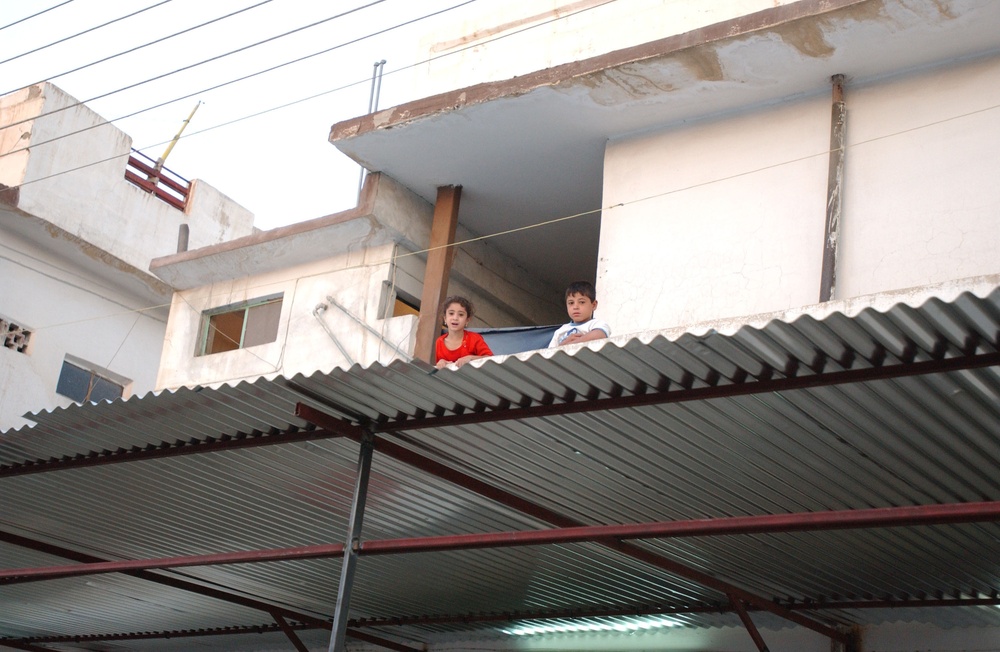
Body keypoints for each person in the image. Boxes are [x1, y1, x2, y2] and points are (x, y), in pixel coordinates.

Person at [435, 296, 494, 368]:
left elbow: (490, 359)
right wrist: (441, 363)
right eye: (451, 313)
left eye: (461, 314)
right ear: (445, 318)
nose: (455, 318)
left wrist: (470, 358)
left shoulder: (474, 338)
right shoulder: (439, 342)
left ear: (467, 320)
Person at [548, 280, 610, 347]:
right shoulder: (560, 331)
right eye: (571, 303)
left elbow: (599, 335)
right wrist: (564, 343)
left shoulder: (596, 324)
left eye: (582, 302)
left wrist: (570, 344)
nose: (575, 307)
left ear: (594, 305)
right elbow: (549, 353)